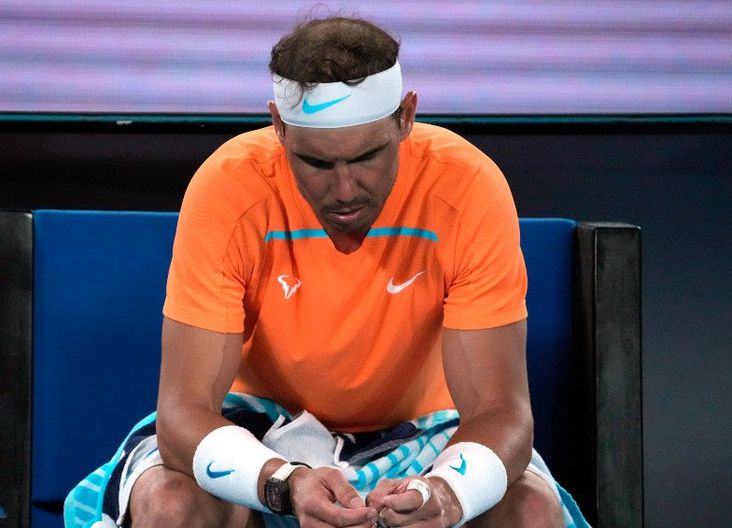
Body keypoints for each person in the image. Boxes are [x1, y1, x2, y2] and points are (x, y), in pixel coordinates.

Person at [66, 15, 588, 528]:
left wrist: (447, 496)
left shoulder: (468, 186)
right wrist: (281, 483)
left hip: (429, 434)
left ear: (406, 117)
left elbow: (502, 414)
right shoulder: (227, 186)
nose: (344, 191)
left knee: (531, 513)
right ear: (278, 127)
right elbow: (183, 415)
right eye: (316, 163)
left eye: (367, 157)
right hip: (257, 432)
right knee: (170, 508)